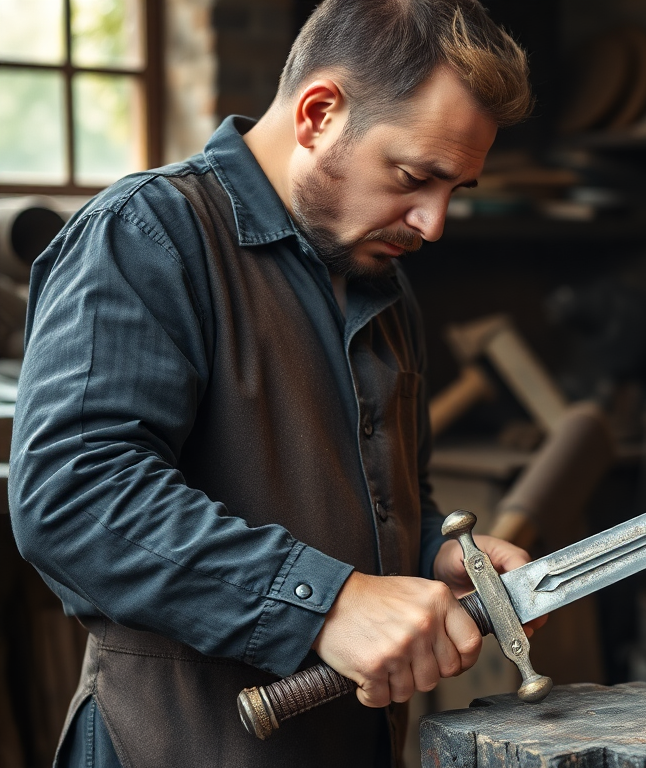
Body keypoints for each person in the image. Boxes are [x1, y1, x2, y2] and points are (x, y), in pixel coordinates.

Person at [8, 1, 545, 765]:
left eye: (455, 190)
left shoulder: (382, 284)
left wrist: (433, 554)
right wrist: (328, 603)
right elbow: (73, 497)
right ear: (319, 114)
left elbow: (378, 497)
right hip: (172, 746)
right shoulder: (147, 234)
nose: (433, 224)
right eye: (415, 177)